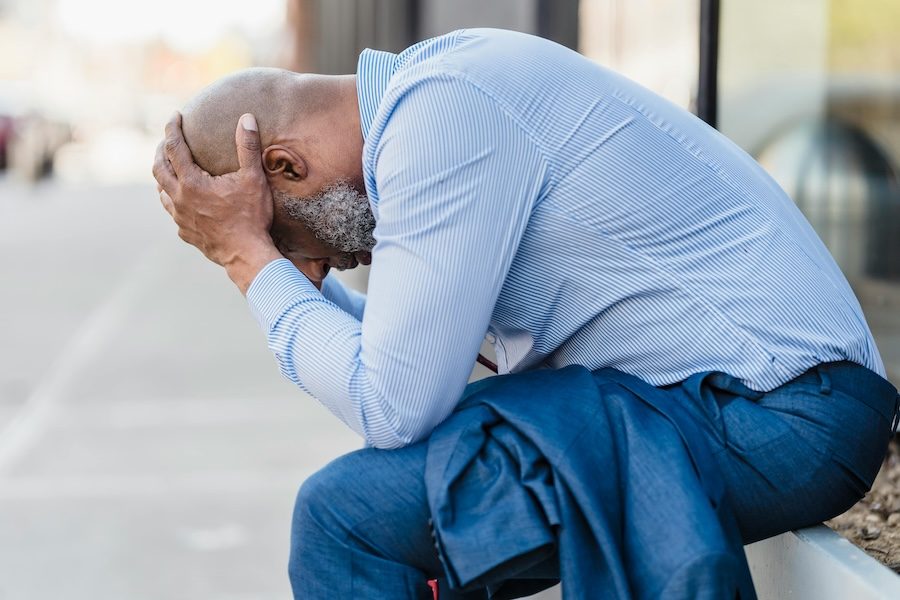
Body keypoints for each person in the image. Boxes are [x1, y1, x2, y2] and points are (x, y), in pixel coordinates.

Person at [152, 28, 898, 599]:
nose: (319, 260)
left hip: (786, 411)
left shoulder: (440, 119)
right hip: (735, 402)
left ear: (283, 165)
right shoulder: (441, 93)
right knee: (434, 487)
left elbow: (392, 403)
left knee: (346, 518)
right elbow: (409, 365)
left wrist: (252, 263)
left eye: (282, 231)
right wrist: (268, 265)